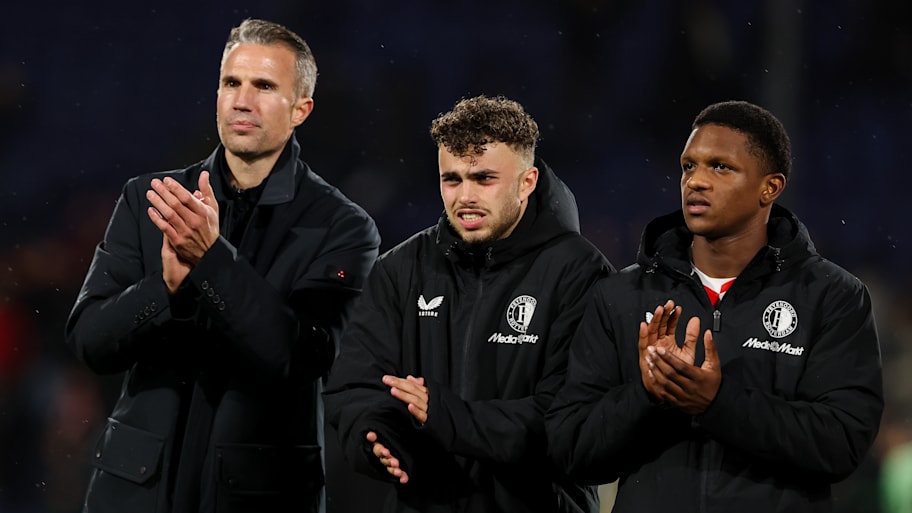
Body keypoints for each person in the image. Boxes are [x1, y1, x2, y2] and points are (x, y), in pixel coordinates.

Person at [65, 18, 380, 513]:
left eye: (264, 86)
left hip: (257, 497)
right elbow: (89, 342)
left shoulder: (343, 226)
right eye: (231, 82)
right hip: (134, 493)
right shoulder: (149, 199)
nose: (241, 99)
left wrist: (210, 260)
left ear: (301, 109)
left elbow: (299, 357)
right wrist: (165, 287)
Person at [545, 100, 884, 512]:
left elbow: (841, 445)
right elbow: (572, 451)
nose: (696, 182)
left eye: (720, 167)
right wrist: (648, 397)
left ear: (770, 187)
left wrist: (718, 402)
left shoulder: (832, 295)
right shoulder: (621, 294)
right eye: (689, 166)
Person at [323, 95, 612, 513]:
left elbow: (569, 420)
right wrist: (377, 436)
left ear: (527, 182)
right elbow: (354, 388)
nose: (465, 197)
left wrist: (445, 416)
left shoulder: (580, 274)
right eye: (452, 179)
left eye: (484, 179)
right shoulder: (401, 269)